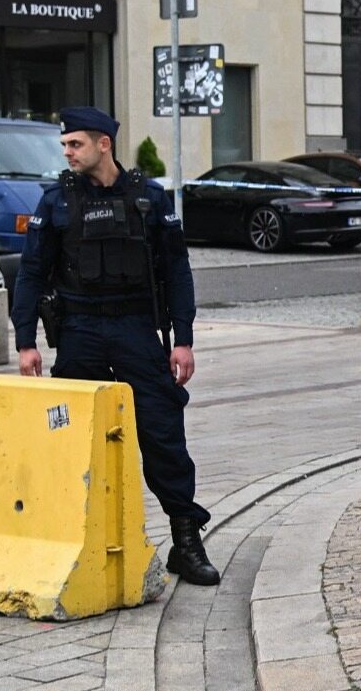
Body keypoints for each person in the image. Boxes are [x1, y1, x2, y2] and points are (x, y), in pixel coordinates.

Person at [13, 107, 218, 587]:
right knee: (68, 437)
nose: (67, 153)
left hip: (135, 332)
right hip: (80, 331)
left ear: (104, 144)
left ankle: (186, 542)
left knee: (163, 434)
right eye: (64, 145)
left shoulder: (148, 198)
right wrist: (25, 342)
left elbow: (177, 272)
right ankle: (63, 537)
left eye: (75, 144)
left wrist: (182, 339)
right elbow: (31, 273)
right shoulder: (56, 202)